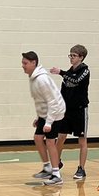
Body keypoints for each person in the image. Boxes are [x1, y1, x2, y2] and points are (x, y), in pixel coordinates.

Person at [23, 51, 66, 187]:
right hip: (46, 113)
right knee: (37, 138)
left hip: (55, 113)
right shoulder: (33, 78)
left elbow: (53, 101)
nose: (23, 66)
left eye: (25, 63)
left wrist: (48, 122)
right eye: (22, 63)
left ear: (33, 63)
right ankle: (47, 167)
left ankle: (56, 174)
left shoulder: (42, 79)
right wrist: (39, 118)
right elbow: (40, 101)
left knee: (50, 142)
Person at [49, 44, 91, 181]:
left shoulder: (85, 71)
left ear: (81, 57)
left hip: (80, 110)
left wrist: (61, 72)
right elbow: (63, 91)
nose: (71, 58)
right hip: (66, 111)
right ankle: (56, 164)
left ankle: (81, 168)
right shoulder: (68, 73)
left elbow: (76, 80)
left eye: (74, 56)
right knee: (60, 137)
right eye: (70, 55)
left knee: (82, 140)